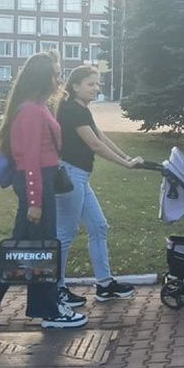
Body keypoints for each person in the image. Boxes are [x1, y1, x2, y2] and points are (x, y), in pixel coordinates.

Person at [0, 53, 88, 329]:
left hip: (41, 180)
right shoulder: (30, 110)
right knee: (44, 246)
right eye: (55, 73)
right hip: (36, 182)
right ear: (42, 76)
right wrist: (35, 201)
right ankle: (49, 310)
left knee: (24, 247)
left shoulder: (38, 106)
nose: (59, 79)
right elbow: (29, 159)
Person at [55, 65, 142, 307]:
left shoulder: (82, 109)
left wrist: (127, 158)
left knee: (99, 226)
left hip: (80, 176)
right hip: (70, 176)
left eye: (97, 84)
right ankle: (56, 288)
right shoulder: (71, 109)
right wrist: (125, 165)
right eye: (91, 84)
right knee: (65, 233)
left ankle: (105, 285)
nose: (96, 88)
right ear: (75, 86)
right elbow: (94, 145)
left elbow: (101, 137)